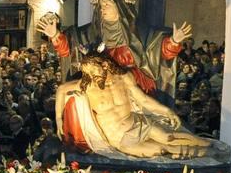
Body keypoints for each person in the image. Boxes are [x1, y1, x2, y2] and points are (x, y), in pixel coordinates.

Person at [36, 0, 190, 99]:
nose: (103, 9)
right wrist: (55, 35)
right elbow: (69, 49)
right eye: (101, 6)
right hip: (100, 82)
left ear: (119, 7)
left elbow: (159, 52)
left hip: (132, 82)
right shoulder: (92, 32)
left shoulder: (137, 32)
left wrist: (174, 41)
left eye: (107, 5)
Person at [53, 54, 219, 159]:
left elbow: (144, 100)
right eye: (87, 72)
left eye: (92, 71)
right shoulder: (86, 85)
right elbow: (61, 90)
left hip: (137, 122)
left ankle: (208, 146)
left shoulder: (124, 78)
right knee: (163, 149)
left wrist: (167, 111)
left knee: (170, 136)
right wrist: (59, 120)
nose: (89, 75)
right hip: (120, 138)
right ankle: (206, 155)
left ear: (104, 65)